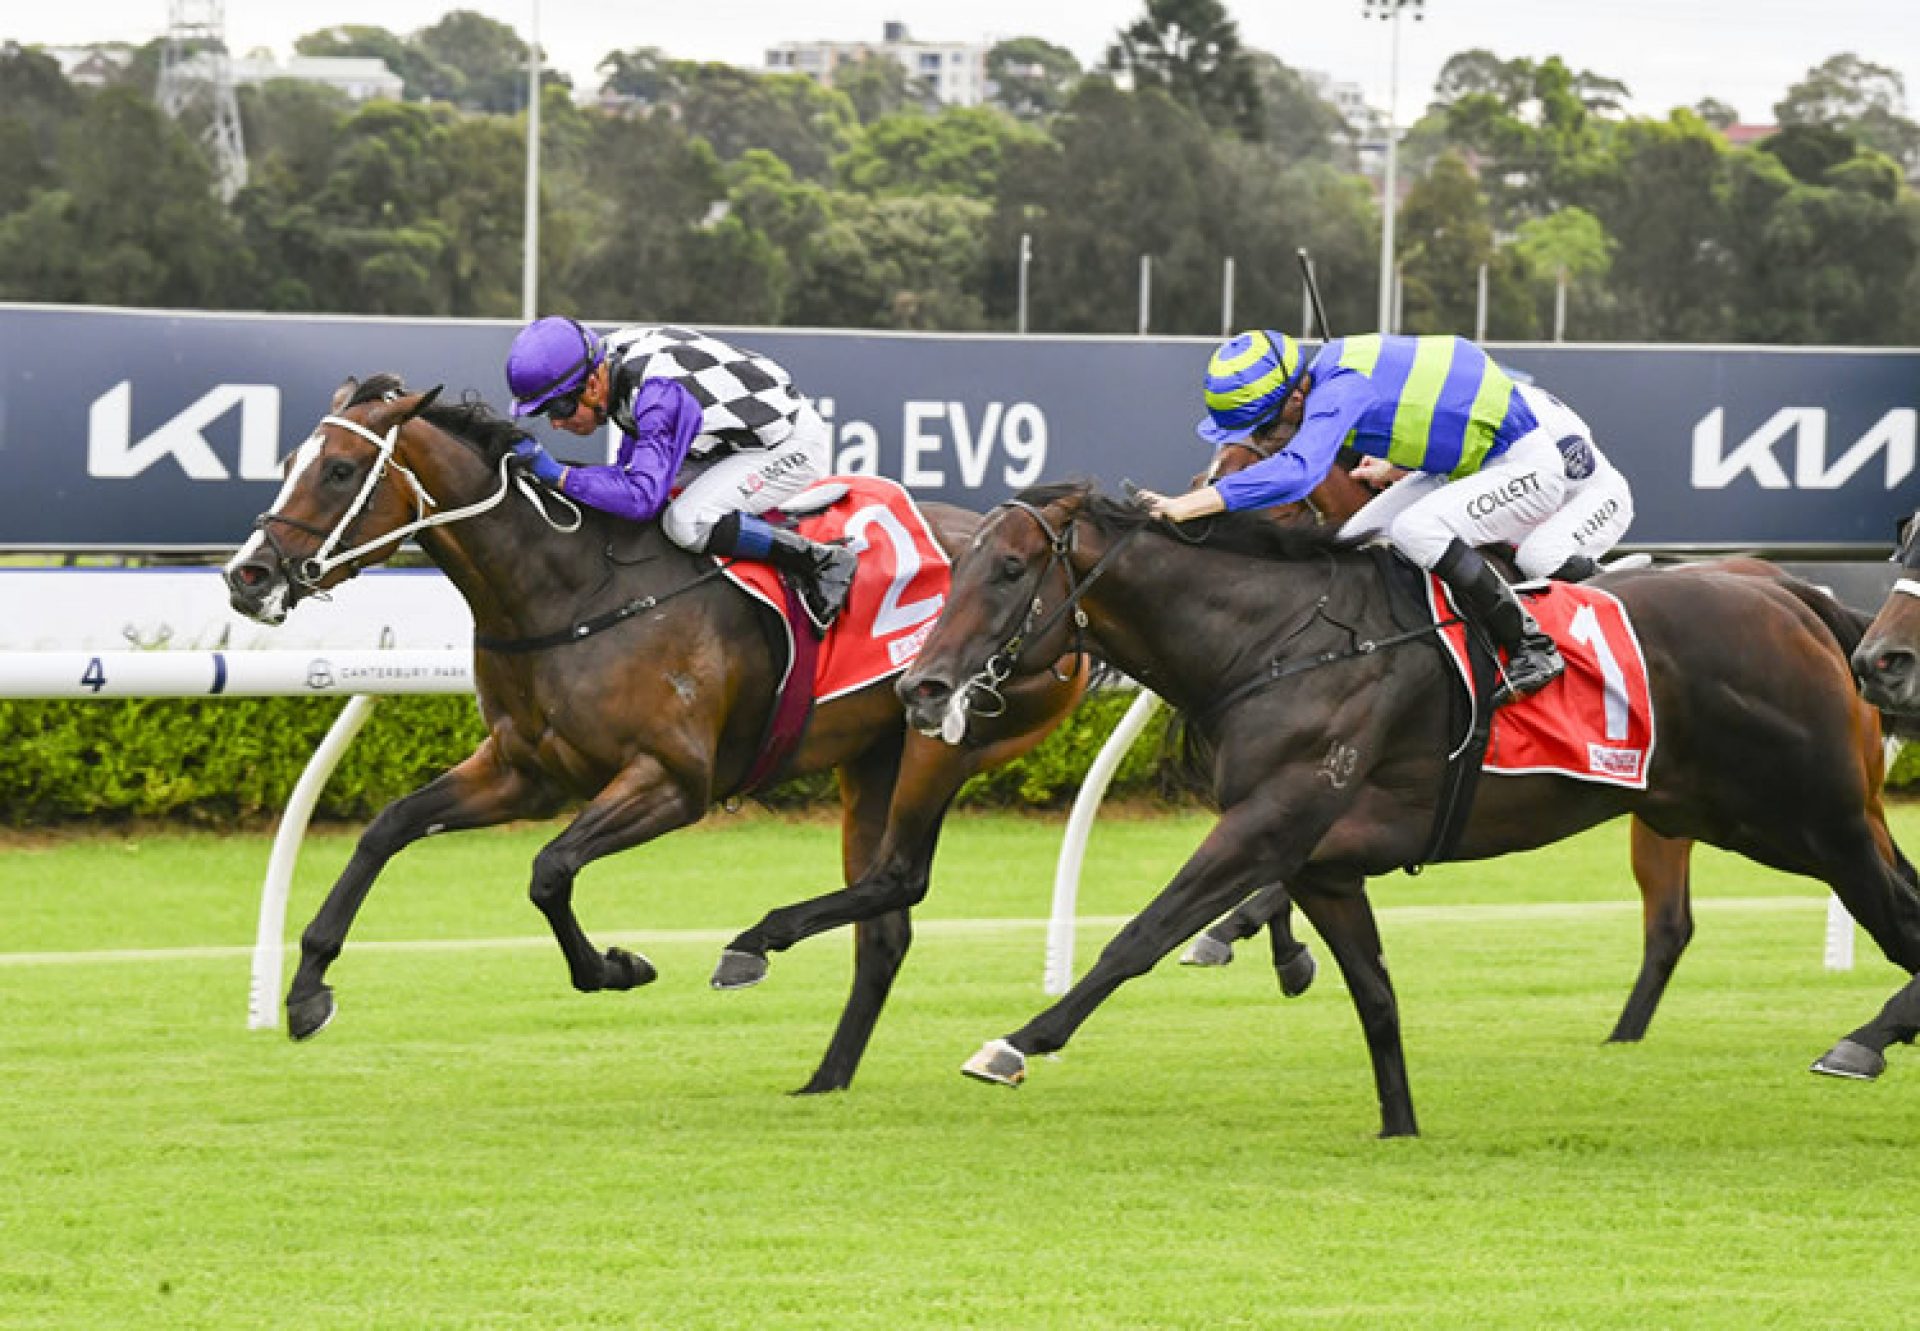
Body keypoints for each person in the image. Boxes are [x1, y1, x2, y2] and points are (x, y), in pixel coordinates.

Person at [1136, 330, 1635, 703]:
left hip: (1526, 465)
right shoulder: (1328, 377)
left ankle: (1531, 646)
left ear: (1294, 397)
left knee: (1417, 529)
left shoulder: (1338, 387)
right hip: (1466, 462)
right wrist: (1397, 461)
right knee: (1358, 537)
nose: (1260, 442)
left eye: (1263, 428)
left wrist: (1186, 506)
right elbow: (1431, 407)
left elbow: (1298, 471)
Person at [504, 316, 857, 631]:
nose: (555, 422)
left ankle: (820, 560)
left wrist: (558, 475)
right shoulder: (608, 360)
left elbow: (642, 497)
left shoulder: (658, 395)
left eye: (560, 407)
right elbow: (625, 478)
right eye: (544, 413)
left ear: (593, 384)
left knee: (686, 523)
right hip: (724, 440)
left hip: (788, 445)